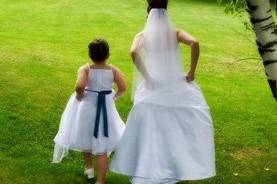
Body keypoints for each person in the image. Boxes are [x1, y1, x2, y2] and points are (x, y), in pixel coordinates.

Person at [110, 0, 216, 183]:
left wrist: (148, 77)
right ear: (166, 10)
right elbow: (195, 43)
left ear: (148, 10)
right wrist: (192, 71)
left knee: (150, 128)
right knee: (172, 127)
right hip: (175, 85)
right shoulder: (174, 33)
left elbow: (133, 52)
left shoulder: (143, 35)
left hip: (152, 87)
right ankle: (172, 163)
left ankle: (149, 163)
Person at [52, 39, 126, 184]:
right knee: (102, 144)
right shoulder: (113, 70)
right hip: (106, 108)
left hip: (87, 106)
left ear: (90, 54)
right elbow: (123, 88)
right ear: (108, 54)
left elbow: (79, 86)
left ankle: (89, 168)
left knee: (85, 135)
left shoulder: (85, 69)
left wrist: (80, 96)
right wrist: (113, 97)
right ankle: (100, 180)